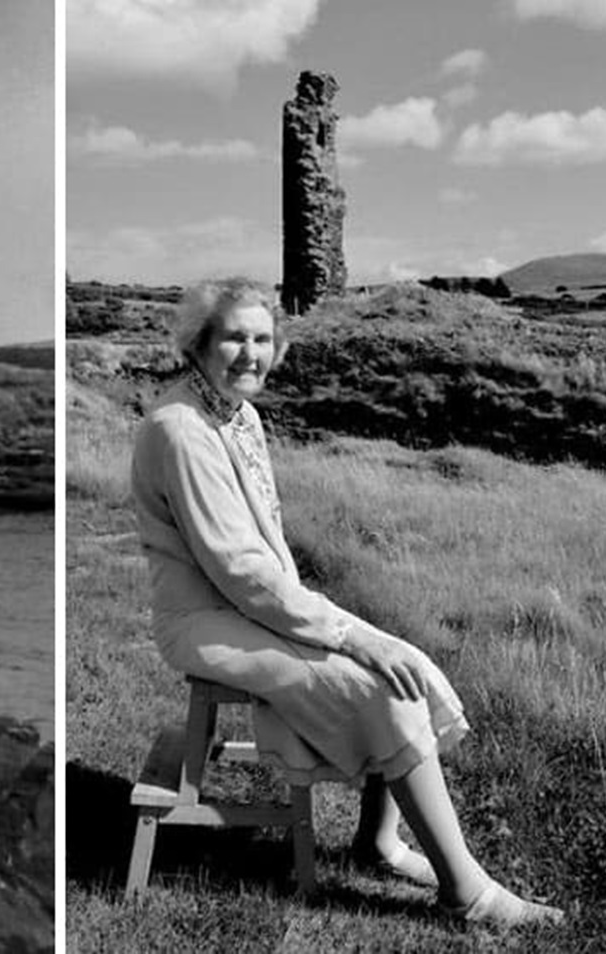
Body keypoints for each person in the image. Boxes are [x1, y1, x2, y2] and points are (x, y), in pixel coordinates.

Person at [130, 279, 564, 927]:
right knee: (379, 683)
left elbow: (259, 558)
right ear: (199, 344)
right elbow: (238, 570)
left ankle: (378, 843)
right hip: (204, 620)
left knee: (403, 664)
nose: (250, 353)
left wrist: (337, 625)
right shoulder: (181, 429)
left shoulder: (238, 414)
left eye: (262, 338)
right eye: (233, 338)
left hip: (251, 604)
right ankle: (467, 894)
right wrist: (346, 635)